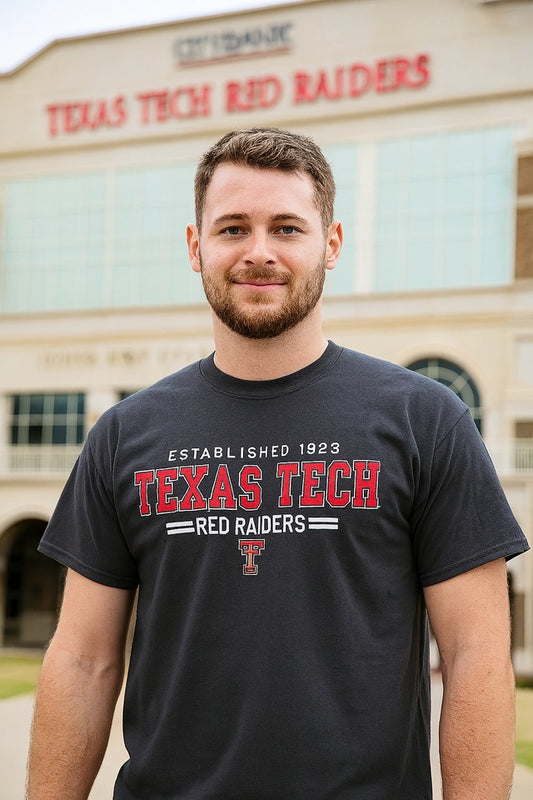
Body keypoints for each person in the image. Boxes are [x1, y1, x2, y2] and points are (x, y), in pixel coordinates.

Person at [27, 127, 528, 800]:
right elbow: (83, 660)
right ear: (194, 246)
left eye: (286, 228)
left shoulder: (424, 420)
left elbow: (474, 661)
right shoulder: (124, 435)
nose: (258, 252)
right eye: (232, 228)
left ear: (331, 243)